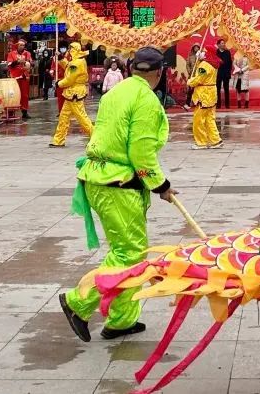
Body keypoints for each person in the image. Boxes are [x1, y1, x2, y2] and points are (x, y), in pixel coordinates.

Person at [59, 46, 175, 342]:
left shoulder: (115, 92)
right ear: (160, 73)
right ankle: (78, 302)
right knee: (131, 254)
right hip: (117, 185)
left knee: (126, 251)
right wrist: (160, 185)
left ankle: (122, 320)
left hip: (98, 179)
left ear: (131, 69)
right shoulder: (147, 99)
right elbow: (141, 152)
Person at [50, 42, 95, 148]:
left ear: (74, 50)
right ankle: (58, 140)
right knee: (63, 116)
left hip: (75, 93)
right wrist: (61, 58)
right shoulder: (76, 61)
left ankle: (96, 136)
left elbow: (70, 79)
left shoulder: (77, 63)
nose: (69, 51)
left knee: (81, 117)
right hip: (71, 93)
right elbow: (68, 66)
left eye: (70, 49)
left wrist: (59, 84)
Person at [187, 51, 221, 149]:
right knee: (210, 119)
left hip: (204, 95)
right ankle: (215, 140)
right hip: (211, 94)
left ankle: (201, 142)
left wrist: (190, 82)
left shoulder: (204, 65)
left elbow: (199, 79)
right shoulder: (212, 64)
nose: (200, 53)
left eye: (202, 52)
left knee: (198, 119)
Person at [214, 39, 234, 110]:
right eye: (222, 43)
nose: (223, 44)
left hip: (226, 73)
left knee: (226, 89)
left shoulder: (227, 52)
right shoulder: (215, 52)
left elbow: (230, 63)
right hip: (218, 73)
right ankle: (218, 104)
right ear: (218, 44)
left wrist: (229, 72)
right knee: (217, 89)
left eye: (224, 43)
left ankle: (227, 104)